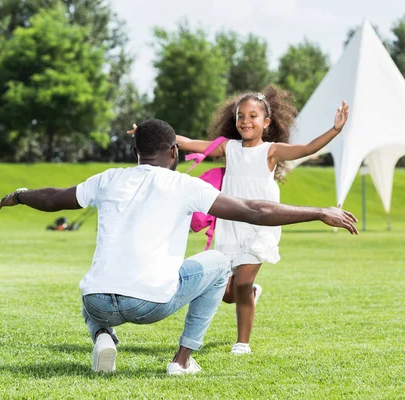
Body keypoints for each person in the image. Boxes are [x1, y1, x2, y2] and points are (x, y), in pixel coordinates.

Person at [0, 119, 358, 375]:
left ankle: (103, 336)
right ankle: (182, 360)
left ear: (136, 150)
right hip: (149, 304)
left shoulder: (107, 179)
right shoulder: (184, 186)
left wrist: (19, 194)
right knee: (219, 263)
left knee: (94, 283)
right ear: (173, 152)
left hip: (99, 302)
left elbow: (55, 198)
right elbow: (255, 210)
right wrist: (319, 211)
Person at [128, 85, 350, 355]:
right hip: (230, 224)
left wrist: (335, 129)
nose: (245, 121)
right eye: (240, 116)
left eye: (253, 116)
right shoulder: (228, 148)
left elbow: (306, 148)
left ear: (266, 123)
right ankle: (252, 293)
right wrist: (146, 134)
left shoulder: (272, 151)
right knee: (227, 293)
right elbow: (186, 142)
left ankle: (242, 342)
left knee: (242, 283)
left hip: (261, 224)